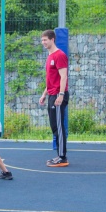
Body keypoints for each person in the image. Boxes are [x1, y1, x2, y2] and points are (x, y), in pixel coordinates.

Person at [38, 29, 70, 167]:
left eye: (45, 40)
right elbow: (51, 79)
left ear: (52, 39)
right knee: (54, 127)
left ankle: (62, 157)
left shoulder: (59, 55)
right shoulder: (50, 56)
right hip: (52, 94)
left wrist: (61, 95)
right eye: (42, 40)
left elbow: (63, 77)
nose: (43, 42)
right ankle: (59, 155)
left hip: (58, 95)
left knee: (59, 127)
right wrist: (44, 94)